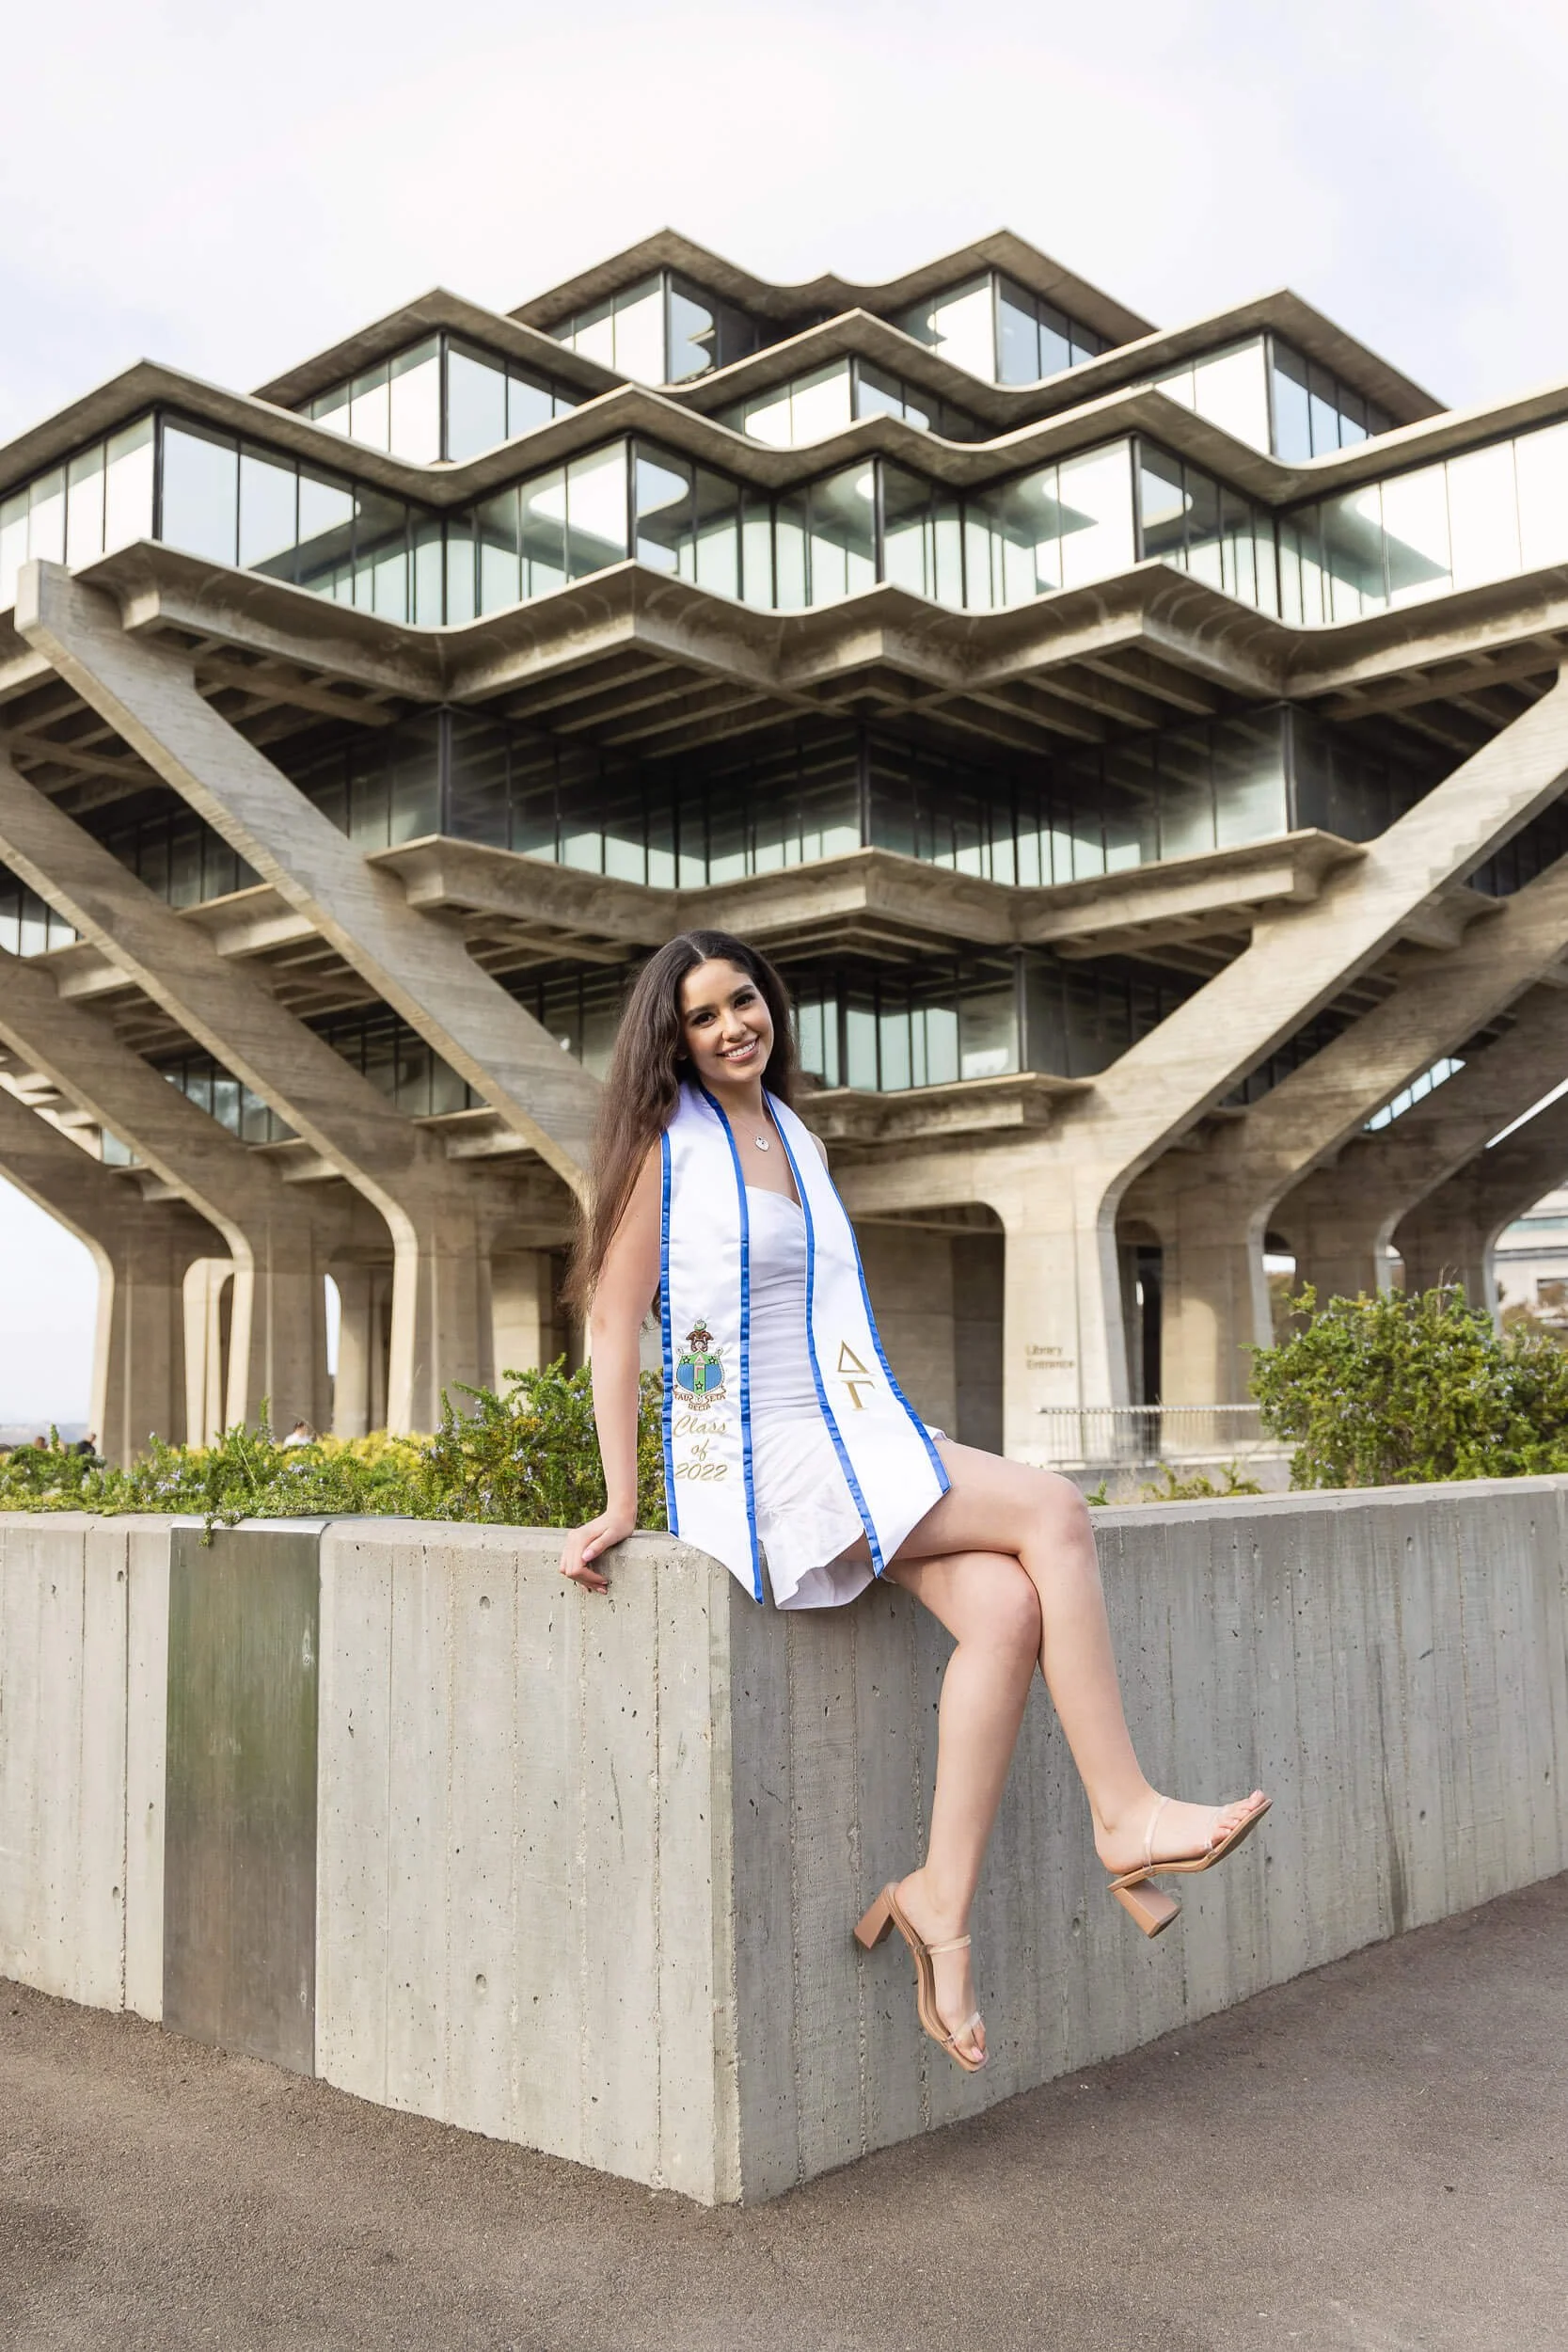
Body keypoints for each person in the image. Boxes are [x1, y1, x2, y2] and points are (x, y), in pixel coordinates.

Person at [560, 930, 1269, 2074]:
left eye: (745, 999)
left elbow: (827, 1315)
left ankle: (939, 1898)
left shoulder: (792, 1132)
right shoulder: (664, 1151)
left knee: (1002, 1612)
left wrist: (894, 1430)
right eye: (703, 1015)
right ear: (671, 1040)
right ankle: (1123, 1813)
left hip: (851, 1429)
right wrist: (619, 1496)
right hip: (755, 1452)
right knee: (1052, 1511)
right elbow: (611, 1320)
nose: (734, 1025)